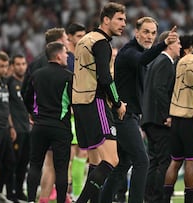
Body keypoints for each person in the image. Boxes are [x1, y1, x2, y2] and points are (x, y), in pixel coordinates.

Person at [100, 17, 178, 203]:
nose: (149, 36)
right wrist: (163, 44)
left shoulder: (138, 52)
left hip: (131, 115)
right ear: (136, 33)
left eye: (153, 33)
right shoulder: (130, 52)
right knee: (142, 161)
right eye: (145, 32)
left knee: (122, 164)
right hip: (123, 115)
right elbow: (142, 60)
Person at [71, 2, 127, 203]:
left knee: (94, 161)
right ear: (106, 19)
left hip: (79, 104)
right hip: (96, 102)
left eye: (124, 20)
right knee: (112, 159)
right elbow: (105, 78)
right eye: (119, 19)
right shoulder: (102, 42)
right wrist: (118, 102)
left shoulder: (85, 40)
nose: (123, 24)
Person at [21, 27, 71, 203]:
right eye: (65, 53)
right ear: (58, 55)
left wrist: (33, 114)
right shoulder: (68, 77)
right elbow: (73, 102)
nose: (67, 55)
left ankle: (30, 201)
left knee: (35, 165)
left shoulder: (36, 74)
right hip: (60, 127)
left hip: (40, 126)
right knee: (61, 168)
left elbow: (26, 96)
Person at [163, 29, 193, 203]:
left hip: (176, 116)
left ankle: (165, 199)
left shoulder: (181, 61)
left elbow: (170, 88)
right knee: (192, 161)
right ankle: (189, 200)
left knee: (175, 161)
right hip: (192, 118)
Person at [142, 31, 181, 203]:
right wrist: (167, 115)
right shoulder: (165, 62)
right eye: (178, 42)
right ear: (170, 43)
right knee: (164, 161)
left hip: (150, 118)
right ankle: (157, 198)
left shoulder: (155, 62)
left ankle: (149, 197)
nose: (180, 46)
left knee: (154, 161)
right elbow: (159, 89)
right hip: (160, 120)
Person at [0, 54, 30, 203]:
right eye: (18, 64)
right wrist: (11, 126)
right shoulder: (9, 82)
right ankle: (8, 191)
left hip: (28, 128)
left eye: (23, 64)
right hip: (15, 129)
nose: (21, 67)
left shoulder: (28, 83)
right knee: (12, 162)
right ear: (12, 66)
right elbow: (7, 108)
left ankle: (19, 191)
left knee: (24, 163)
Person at [65, 22, 87, 200]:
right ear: (69, 37)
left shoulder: (80, 56)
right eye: (79, 36)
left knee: (83, 152)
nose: (82, 40)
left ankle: (77, 194)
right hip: (69, 112)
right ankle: (64, 192)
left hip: (81, 110)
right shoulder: (66, 58)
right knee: (70, 153)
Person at [0, 51, 17, 203]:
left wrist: (11, 126)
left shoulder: (3, 82)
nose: (4, 69)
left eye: (6, 66)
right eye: (1, 66)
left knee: (10, 161)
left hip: (5, 128)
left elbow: (6, 106)